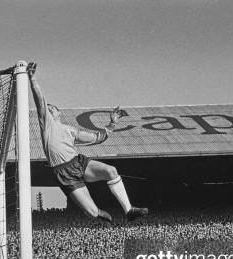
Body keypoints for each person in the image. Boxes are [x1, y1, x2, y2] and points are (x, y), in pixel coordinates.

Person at [27, 62, 148, 222]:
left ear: (59, 112)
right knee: (91, 212)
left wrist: (112, 123)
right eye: (47, 108)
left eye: (53, 108)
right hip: (63, 173)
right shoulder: (46, 124)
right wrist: (33, 79)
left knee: (111, 171)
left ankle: (129, 210)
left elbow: (97, 138)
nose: (49, 109)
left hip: (78, 162)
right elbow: (41, 101)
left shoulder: (71, 130)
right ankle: (99, 213)